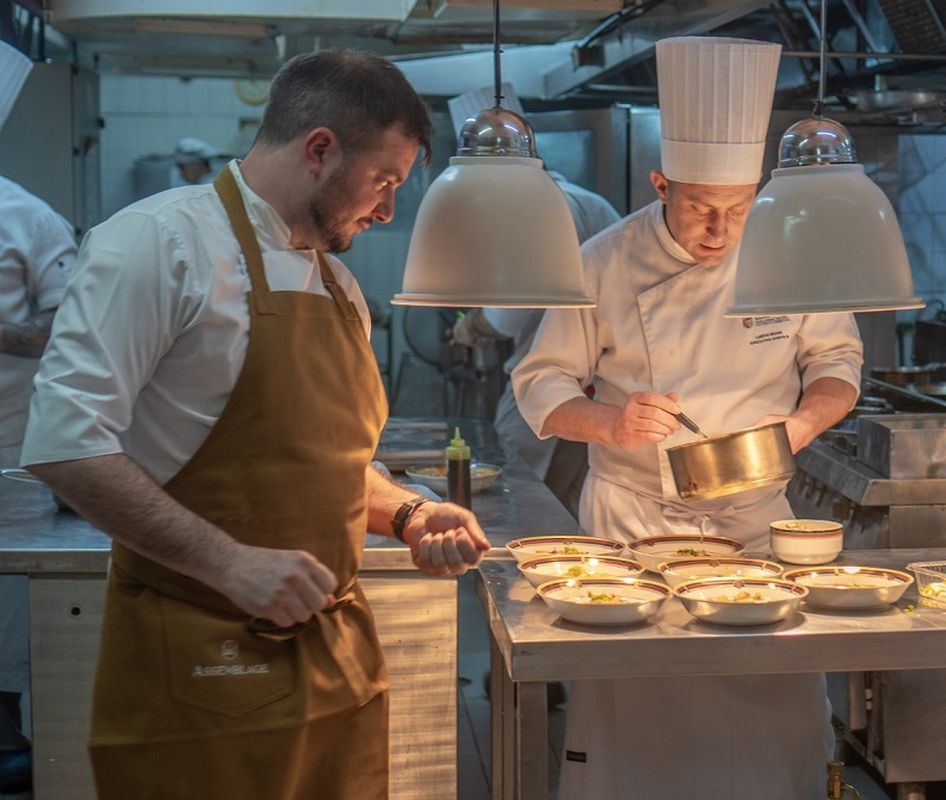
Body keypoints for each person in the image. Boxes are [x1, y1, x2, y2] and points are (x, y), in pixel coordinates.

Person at [21, 49, 490, 800]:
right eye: (386, 181)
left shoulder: (335, 279)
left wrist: (407, 512)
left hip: (334, 666)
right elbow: (66, 446)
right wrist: (231, 564)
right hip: (201, 668)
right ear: (319, 150)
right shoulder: (156, 244)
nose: (387, 210)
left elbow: (319, 462)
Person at [512, 36, 863, 800]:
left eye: (736, 210)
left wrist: (800, 427)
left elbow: (838, 366)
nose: (719, 230)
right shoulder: (601, 262)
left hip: (755, 518)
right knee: (637, 717)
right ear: (661, 183)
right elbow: (538, 383)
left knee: (781, 710)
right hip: (634, 523)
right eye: (701, 207)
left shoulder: (792, 250)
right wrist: (609, 423)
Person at [447, 87, 621, 517]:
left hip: (542, 385)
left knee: (518, 501)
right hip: (604, 389)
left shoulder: (524, 209)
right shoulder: (592, 203)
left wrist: (472, 327)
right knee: (570, 499)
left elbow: (511, 313)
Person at [0, 174, 77, 793]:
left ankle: (15, 739)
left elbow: (66, 325)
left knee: (11, 613)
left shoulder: (28, 217)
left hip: (11, 457)